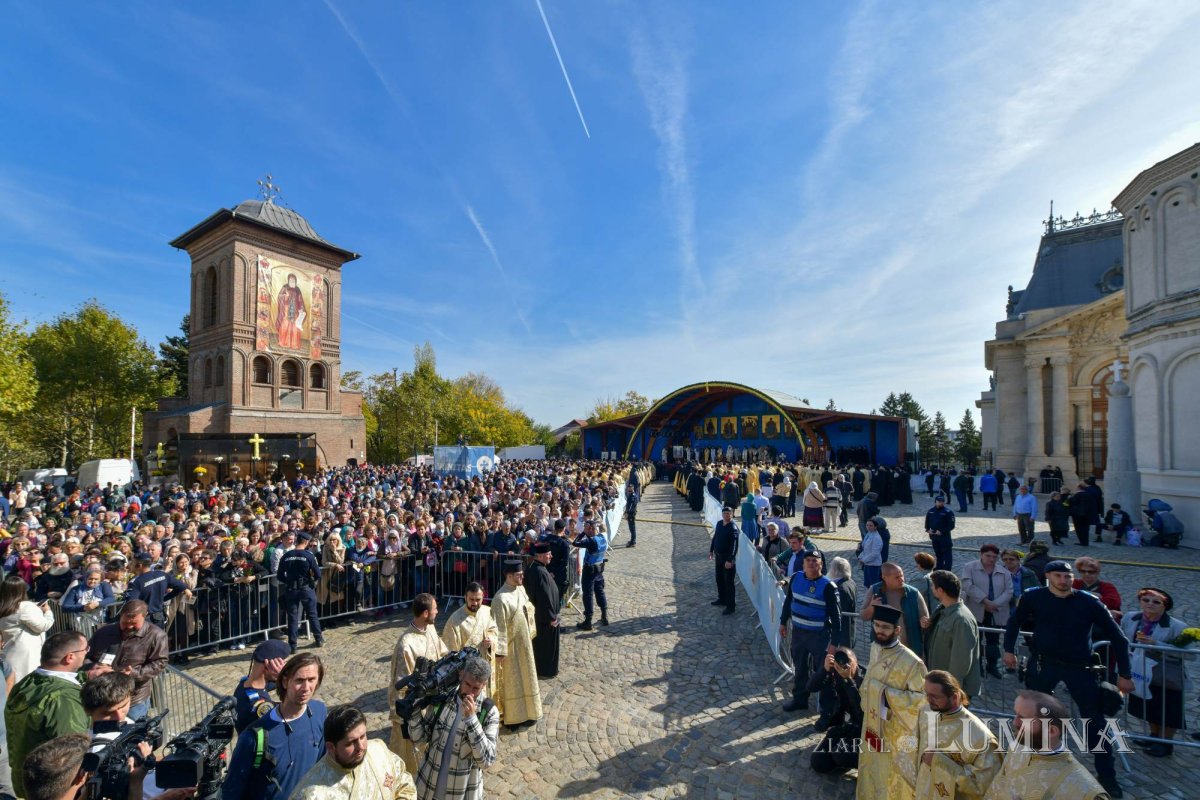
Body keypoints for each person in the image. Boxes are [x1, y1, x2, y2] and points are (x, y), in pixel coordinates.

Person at [1002, 560, 1133, 798]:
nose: (1064, 580)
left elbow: (1119, 638)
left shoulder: (1089, 602)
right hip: (1044, 664)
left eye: (1068, 576)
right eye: (1059, 576)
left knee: (1095, 724)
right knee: (1031, 717)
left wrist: (1125, 675)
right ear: (1048, 577)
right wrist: (1008, 649)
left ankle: (1107, 777)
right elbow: (1014, 622)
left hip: (1080, 668)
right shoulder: (1034, 597)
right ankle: (1025, 760)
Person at [223, 652, 327, 800]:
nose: (306, 687)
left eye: (311, 680)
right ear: (285, 682)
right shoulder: (253, 737)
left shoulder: (319, 712)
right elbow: (232, 792)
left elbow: (322, 763)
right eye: (299, 680)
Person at [5, 632, 91, 799]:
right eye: (85, 650)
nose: (87, 652)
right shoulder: (64, 699)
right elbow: (72, 752)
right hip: (57, 790)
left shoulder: (28, 682)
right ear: (70, 657)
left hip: (27, 782)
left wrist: (86, 676)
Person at [856, 605, 928, 800]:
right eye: (876, 625)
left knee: (891, 779)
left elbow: (923, 701)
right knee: (870, 769)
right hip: (872, 725)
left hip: (896, 733)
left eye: (885, 627)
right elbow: (869, 680)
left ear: (897, 630)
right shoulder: (875, 647)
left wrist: (885, 695)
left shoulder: (913, 663)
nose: (879, 630)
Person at [982, 691, 1110, 800]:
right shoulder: (1017, 747)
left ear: (1051, 731)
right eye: (1016, 715)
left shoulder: (1085, 791)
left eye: (1023, 718)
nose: (1015, 722)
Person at [408, 653, 498, 800]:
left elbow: (487, 760)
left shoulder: (488, 712)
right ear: (461, 675)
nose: (469, 692)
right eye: (467, 684)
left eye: (476, 688)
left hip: (462, 794)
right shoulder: (443, 699)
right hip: (427, 788)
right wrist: (414, 711)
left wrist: (472, 720)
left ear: (484, 684)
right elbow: (419, 738)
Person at [291, 704, 417, 800]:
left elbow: (403, 781)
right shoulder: (311, 794)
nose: (361, 747)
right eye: (350, 743)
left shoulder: (379, 751)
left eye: (363, 736)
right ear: (331, 747)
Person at [1120, 587, 1190, 757]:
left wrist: (1156, 643)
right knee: (1148, 705)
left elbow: (1189, 653)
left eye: (1156, 602)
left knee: (1167, 708)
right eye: (1146, 600)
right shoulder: (1131, 617)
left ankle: (1166, 743)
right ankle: (1153, 736)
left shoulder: (1177, 626)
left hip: (1165, 675)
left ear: (1164, 606)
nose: (1150, 604)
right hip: (1140, 670)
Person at [778, 550, 844, 717]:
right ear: (803, 563)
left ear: (821, 564)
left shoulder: (828, 587)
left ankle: (827, 710)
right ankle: (800, 699)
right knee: (800, 667)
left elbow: (837, 619)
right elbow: (788, 601)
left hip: (819, 636)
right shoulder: (796, 578)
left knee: (824, 672)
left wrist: (833, 645)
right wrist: (782, 622)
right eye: (808, 560)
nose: (811, 563)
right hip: (799, 633)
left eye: (815, 561)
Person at [389, 593, 450, 774]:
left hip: (434, 700)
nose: (438, 611)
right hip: (417, 707)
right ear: (425, 613)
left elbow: (442, 652)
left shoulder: (430, 629)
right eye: (435, 608)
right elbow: (401, 685)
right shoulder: (406, 645)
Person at [916, 670, 1000, 800]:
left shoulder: (982, 739)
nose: (928, 700)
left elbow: (982, 788)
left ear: (954, 697)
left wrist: (939, 761)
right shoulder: (926, 712)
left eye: (935, 696)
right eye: (927, 694)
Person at [84, 600, 167, 720]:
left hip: (134, 699)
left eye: (134, 623)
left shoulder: (156, 635)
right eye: (125, 623)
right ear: (120, 617)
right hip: (102, 698)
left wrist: (134, 673)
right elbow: (85, 656)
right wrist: (93, 667)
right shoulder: (103, 632)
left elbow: (160, 662)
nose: (129, 627)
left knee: (133, 735)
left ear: (144, 617)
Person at [492, 559, 541, 730]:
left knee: (527, 677)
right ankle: (513, 717)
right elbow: (499, 628)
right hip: (510, 649)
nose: (522, 577)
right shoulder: (500, 598)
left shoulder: (520, 588)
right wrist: (500, 653)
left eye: (522, 574)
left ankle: (529, 712)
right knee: (513, 683)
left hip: (524, 643)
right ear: (509, 575)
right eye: (519, 575)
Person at [923, 571, 982, 700]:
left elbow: (961, 662)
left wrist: (951, 692)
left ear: (940, 590)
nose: (931, 589)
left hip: (949, 691)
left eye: (933, 586)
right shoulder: (944, 611)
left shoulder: (961, 620)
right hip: (941, 685)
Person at [807, 646, 864, 774]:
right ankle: (842, 759)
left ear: (856, 662)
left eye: (849, 662)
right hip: (846, 728)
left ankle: (867, 764)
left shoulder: (866, 680)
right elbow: (810, 687)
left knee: (840, 754)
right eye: (841, 662)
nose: (845, 666)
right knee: (818, 762)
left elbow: (863, 715)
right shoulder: (838, 674)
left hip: (866, 733)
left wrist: (848, 680)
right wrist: (825, 670)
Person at [959, 544, 1011, 679]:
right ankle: (976, 666)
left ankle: (992, 665)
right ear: (981, 554)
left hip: (996, 611)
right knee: (975, 640)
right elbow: (968, 586)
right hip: (976, 610)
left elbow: (1009, 591)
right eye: (988, 556)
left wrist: (995, 604)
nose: (991, 559)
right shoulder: (970, 567)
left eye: (995, 557)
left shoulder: (1004, 572)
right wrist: (985, 601)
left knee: (993, 640)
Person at [441, 583, 498, 698]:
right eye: (471, 599)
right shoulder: (454, 619)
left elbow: (494, 631)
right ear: (465, 597)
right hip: (466, 673)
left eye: (478, 599)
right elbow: (449, 651)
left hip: (484, 668)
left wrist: (490, 640)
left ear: (483, 598)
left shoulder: (488, 612)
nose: (475, 603)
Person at [860, 562, 930, 654]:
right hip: (883, 649)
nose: (902, 579)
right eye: (897, 577)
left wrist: (924, 622)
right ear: (885, 578)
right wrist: (872, 607)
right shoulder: (875, 591)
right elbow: (863, 616)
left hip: (910, 649)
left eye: (902, 576)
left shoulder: (913, 593)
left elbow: (926, 619)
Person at [0, 574, 55, 681]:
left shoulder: (3, 607)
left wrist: (34, 607)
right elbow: (43, 626)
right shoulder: (25, 607)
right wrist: (47, 611)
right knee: (26, 684)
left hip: (9, 650)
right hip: (27, 654)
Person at [279, 531, 325, 652]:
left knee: (293, 618)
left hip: (291, 589)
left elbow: (279, 575)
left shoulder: (287, 555)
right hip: (305, 588)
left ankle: (292, 645)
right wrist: (311, 582)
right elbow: (318, 574)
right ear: (305, 542)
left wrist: (288, 581)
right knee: (312, 614)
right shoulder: (309, 556)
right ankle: (318, 639)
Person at [232, 638, 290, 734]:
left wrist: (284, 678)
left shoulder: (245, 683)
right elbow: (290, 709)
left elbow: (268, 685)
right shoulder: (261, 706)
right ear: (268, 665)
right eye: (283, 663)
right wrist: (288, 682)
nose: (285, 668)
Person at [124, 553, 192, 628]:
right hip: (159, 617)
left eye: (133, 562)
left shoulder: (136, 582)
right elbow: (181, 586)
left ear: (139, 565)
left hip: (144, 620)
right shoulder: (161, 574)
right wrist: (164, 598)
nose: (130, 564)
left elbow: (131, 604)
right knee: (159, 639)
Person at [525, 543, 560, 679]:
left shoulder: (536, 568)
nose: (551, 555)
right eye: (548, 554)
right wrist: (551, 618)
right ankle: (546, 671)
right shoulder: (539, 572)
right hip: (545, 619)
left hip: (541, 617)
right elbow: (545, 598)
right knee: (545, 648)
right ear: (539, 556)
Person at [571, 519, 610, 629]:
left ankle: (588, 620)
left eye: (586, 528)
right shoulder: (603, 537)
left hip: (589, 570)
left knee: (588, 594)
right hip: (599, 568)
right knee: (600, 591)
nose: (585, 529)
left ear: (591, 529)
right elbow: (601, 530)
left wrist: (583, 533)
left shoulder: (591, 541)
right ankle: (604, 616)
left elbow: (575, 543)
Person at [708, 507, 739, 616]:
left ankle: (731, 606)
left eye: (728, 513)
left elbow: (734, 546)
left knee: (729, 583)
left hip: (727, 560)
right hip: (718, 557)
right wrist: (711, 550)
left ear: (731, 514)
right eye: (724, 513)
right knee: (719, 579)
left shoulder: (733, 528)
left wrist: (730, 560)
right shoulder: (720, 523)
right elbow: (715, 537)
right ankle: (722, 599)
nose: (726, 515)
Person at [924, 494, 956, 571]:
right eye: (939, 501)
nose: (941, 503)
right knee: (938, 553)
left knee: (947, 555)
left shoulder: (948, 512)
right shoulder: (931, 511)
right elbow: (927, 522)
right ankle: (939, 566)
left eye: (942, 501)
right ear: (935, 502)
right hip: (934, 537)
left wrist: (942, 531)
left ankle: (947, 569)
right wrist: (928, 529)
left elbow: (951, 525)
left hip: (944, 537)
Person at [857, 519, 884, 589]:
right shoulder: (869, 534)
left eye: (871, 526)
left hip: (874, 565)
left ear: (875, 527)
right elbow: (865, 547)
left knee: (874, 585)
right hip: (867, 564)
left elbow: (875, 553)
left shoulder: (877, 538)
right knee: (867, 584)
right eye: (867, 525)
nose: (868, 527)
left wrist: (864, 560)